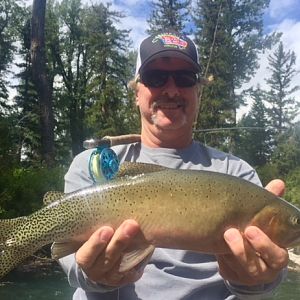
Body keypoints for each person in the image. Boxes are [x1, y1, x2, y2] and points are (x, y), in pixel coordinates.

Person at [60, 30, 289, 300]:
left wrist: (257, 283)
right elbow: (69, 256)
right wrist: (93, 274)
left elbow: (265, 272)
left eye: (184, 79)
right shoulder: (92, 165)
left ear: (197, 91)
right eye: (155, 78)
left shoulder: (237, 172)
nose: (171, 89)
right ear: (136, 91)